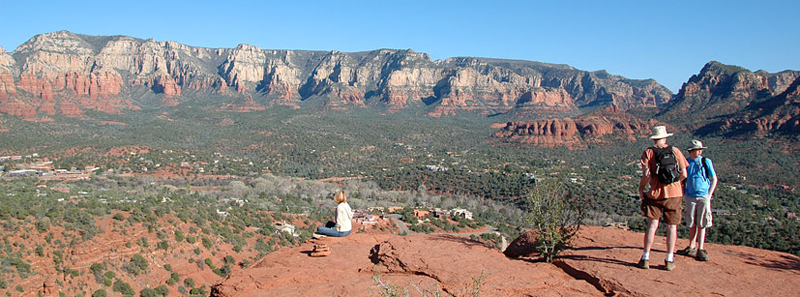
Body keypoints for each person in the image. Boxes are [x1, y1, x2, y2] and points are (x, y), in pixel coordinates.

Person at [637, 126, 688, 271]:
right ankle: (669, 259)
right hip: (674, 194)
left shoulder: (649, 152)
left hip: (655, 194)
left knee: (652, 225)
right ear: (665, 137)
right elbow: (684, 173)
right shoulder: (675, 150)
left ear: (654, 138)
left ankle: (646, 257)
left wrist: (642, 189)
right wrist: (675, 184)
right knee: (672, 227)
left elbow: (646, 175)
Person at [677, 140, 717, 261]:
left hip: (703, 196)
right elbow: (683, 178)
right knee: (692, 222)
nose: (700, 151)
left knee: (702, 223)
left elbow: (714, 178)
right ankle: (691, 246)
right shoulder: (687, 162)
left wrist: (709, 194)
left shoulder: (706, 162)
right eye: (697, 149)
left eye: (700, 149)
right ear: (691, 151)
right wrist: (683, 193)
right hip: (690, 196)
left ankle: (701, 248)